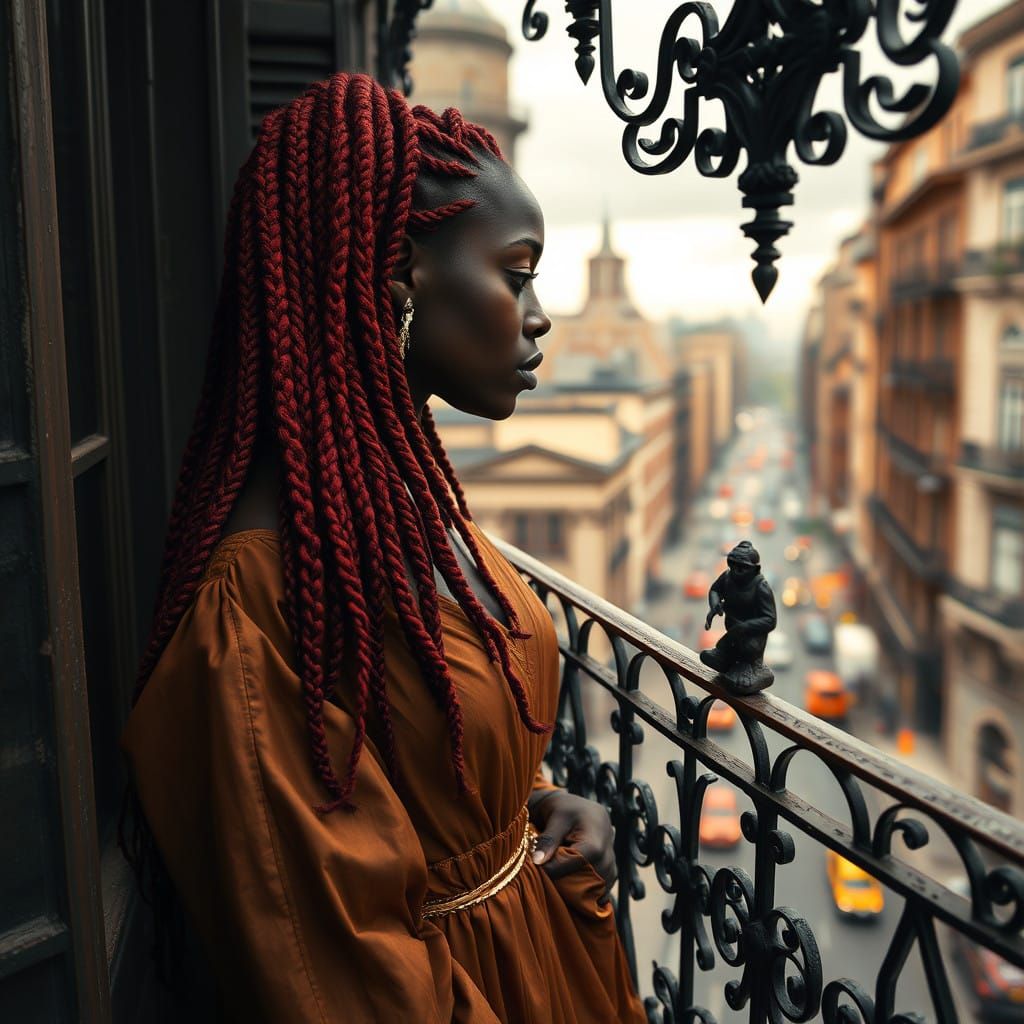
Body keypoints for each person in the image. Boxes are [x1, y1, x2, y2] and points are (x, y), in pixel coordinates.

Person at [119, 72, 646, 1023]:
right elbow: (345, 980)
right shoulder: (256, 611)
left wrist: (531, 806)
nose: (539, 315)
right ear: (400, 275)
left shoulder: (395, 501)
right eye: (516, 274)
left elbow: (421, 761)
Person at [699, 540, 777, 694]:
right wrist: (714, 605)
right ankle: (724, 657)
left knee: (746, 650)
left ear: (755, 569)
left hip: (752, 638)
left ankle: (748, 668)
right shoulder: (727, 577)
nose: (736, 571)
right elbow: (715, 590)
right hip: (733, 631)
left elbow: (770, 619)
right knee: (727, 647)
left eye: (742, 568)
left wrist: (747, 626)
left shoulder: (761, 587)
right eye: (733, 565)